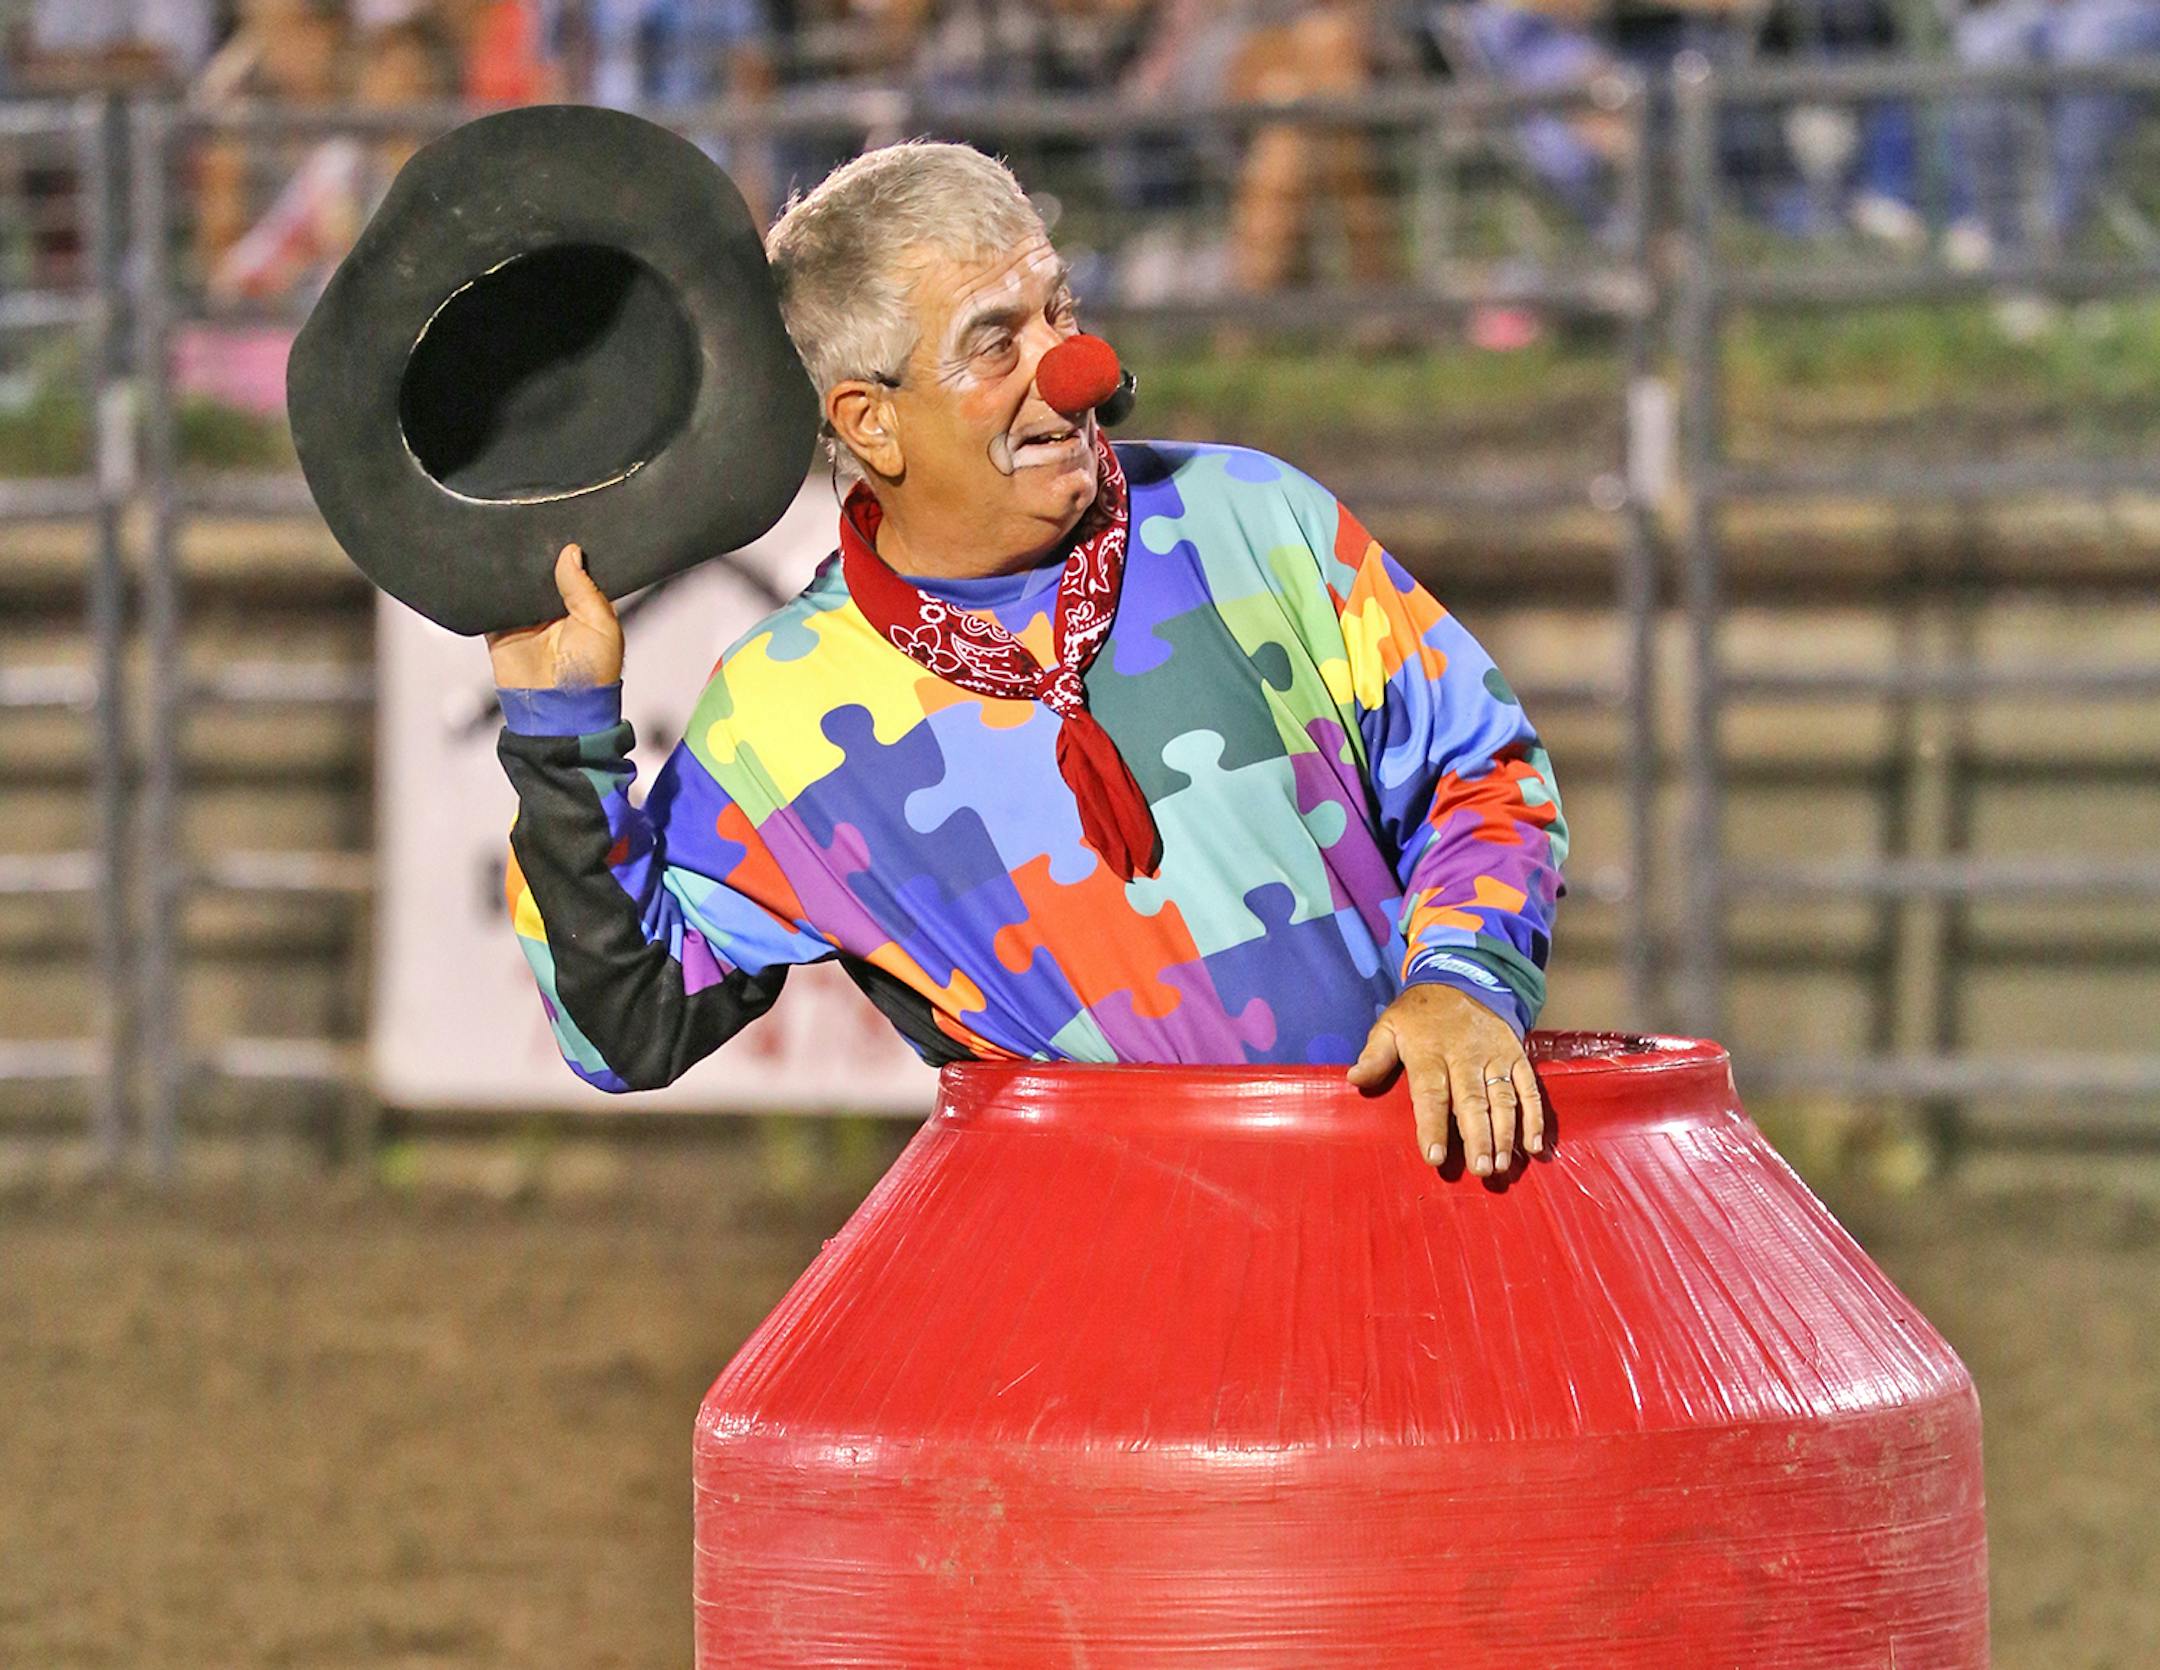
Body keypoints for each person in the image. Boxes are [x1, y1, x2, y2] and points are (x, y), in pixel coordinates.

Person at [485, 140, 1568, 1178]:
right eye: (996, 340)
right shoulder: (779, 709)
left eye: (1061, 309)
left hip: (1404, 1217)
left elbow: (1483, 772)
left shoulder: (1258, 519)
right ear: (871, 422)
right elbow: (625, 1025)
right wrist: (556, 733)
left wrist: (1465, 981)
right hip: (1114, 1297)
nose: (1072, 366)